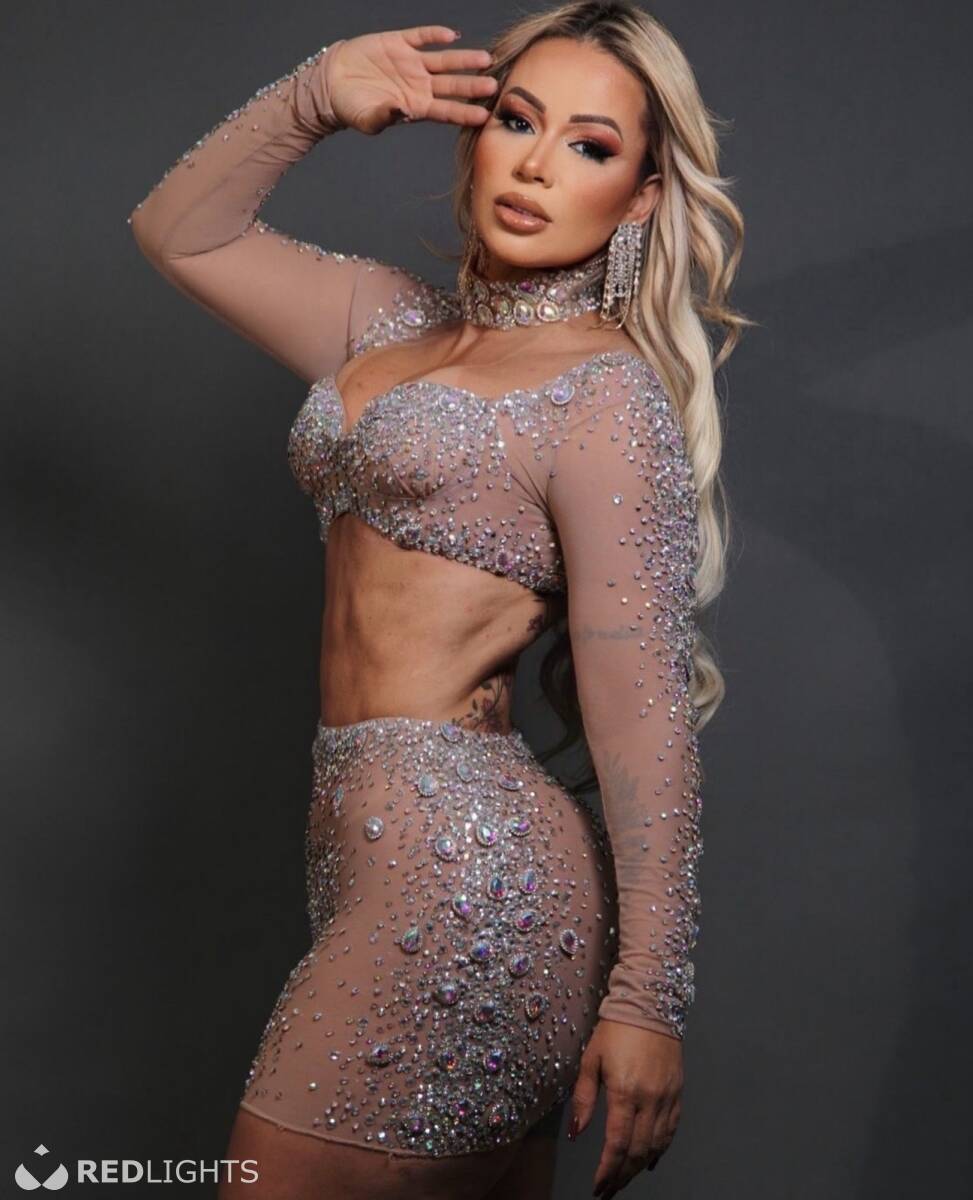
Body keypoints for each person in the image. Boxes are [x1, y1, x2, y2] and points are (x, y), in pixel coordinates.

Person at [127, 3, 747, 1196]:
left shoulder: (604, 398)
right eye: (516, 121)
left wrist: (648, 997)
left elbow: (643, 713)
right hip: (357, 853)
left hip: (473, 879)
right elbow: (180, 233)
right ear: (473, 136)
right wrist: (314, 95)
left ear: (639, 198)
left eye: (588, 145)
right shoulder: (384, 324)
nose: (535, 164)